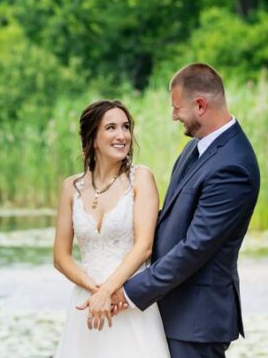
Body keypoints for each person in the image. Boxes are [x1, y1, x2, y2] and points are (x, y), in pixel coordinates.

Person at [80, 63, 262, 358]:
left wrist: (128, 291)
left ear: (200, 105)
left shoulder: (233, 166)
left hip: (196, 320)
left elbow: (195, 247)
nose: (174, 115)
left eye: (177, 108)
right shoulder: (195, 148)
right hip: (169, 310)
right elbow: (169, 220)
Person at [52, 99, 170, 357]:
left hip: (127, 301)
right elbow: (61, 257)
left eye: (126, 127)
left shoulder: (141, 179)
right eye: (112, 128)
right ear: (93, 138)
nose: (122, 135)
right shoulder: (71, 187)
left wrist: (109, 291)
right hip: (87, 303)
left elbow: (144, 246)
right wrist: (95, 292)